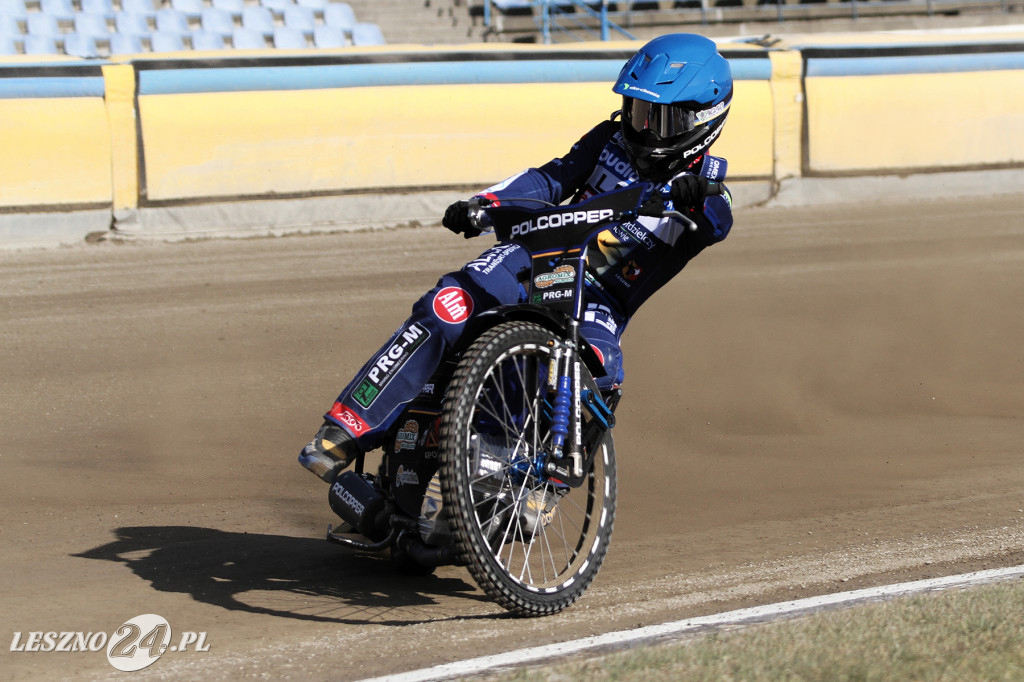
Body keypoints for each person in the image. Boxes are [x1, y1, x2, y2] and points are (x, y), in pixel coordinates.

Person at [299, 33, 735, 483]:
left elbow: (718, 218)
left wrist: (696, 199)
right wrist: (486, 205)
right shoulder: (609, 138)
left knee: (599, 373)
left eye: (660, 119)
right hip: (537, 255)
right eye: (638, 111)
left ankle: (531, 486)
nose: (642, 129)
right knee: (449, 305)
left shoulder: (706, 186)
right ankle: (347, 427)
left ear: (703, 119)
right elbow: (549, 179)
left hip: (597, 302)